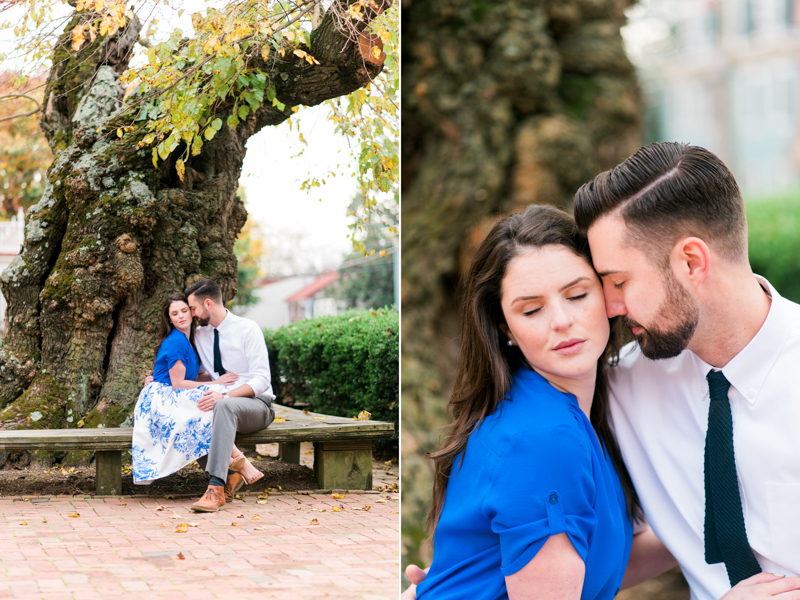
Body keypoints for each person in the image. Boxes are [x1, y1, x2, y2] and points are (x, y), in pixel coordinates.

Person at [406, 142, 800, 600]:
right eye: (532, 309)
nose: (609, 307)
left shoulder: (598, 389)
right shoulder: (616, 385)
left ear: (692, 262)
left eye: (613, 283)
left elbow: (633, 546)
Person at [411, 205, 678, 600]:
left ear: (607, 294)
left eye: (577, 294)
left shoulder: (573, 412)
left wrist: (714, 525)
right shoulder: (543, 438)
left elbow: (598, 565)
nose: (561, 320)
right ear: (506, 329)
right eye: (532, 309)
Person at [133, 292, 261, 485]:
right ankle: (239, 462)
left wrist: (218, 377)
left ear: (192, 313)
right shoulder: (176, 341)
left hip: (173, 392)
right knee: (209, 396)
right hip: (163, 397)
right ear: (169, 318)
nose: (181, 316)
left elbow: (191, 376)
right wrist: (216, 383)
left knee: (211, 400)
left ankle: (232, 463)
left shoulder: (190, 339)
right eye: (175, 314)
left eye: (184, 310)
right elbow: (178, 383)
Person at [184, 279, 276, 513]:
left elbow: (262, 379)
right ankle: (232, 474)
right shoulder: (200, 335)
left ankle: (216, 488)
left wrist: (225, 397)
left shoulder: (247, 329)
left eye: (193, 308)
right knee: (188, 411)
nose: (192, 314)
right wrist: (157, 378)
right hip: (223, 406)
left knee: (222, 407)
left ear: (208, 304)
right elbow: (197, 372)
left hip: (257, 406)